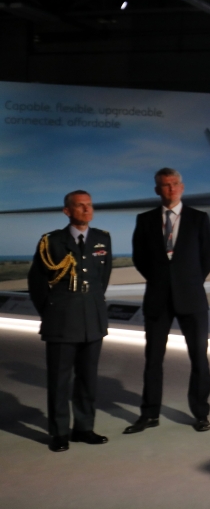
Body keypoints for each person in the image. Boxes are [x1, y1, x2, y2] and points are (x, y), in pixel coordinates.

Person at [125, 168, 210, 434]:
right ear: (157, 190)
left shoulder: (199, 219)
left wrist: (186, 283)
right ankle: (149, 414)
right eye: (165, 185)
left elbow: (207, 258)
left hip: (192, 299)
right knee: (153, 360)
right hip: (157, 298)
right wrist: (161, 282)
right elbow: (139, 258)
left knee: (199, 359)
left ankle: (201, 414)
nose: (171, 189)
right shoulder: (144, 220)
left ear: (182, 187)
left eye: (175, 184)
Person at [28, 190, 113, 452]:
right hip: (61, 321)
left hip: (92, 319)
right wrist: (52, 312)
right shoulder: (51, 241)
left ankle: (84, 428)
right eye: (80, 206)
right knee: (59, 380)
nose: (87, 210)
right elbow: (37, 283)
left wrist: (93, 305)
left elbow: (103, 278)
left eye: (89, 205)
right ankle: (59, 432)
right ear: (67, 211)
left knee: (88, 378)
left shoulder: (102, 239)